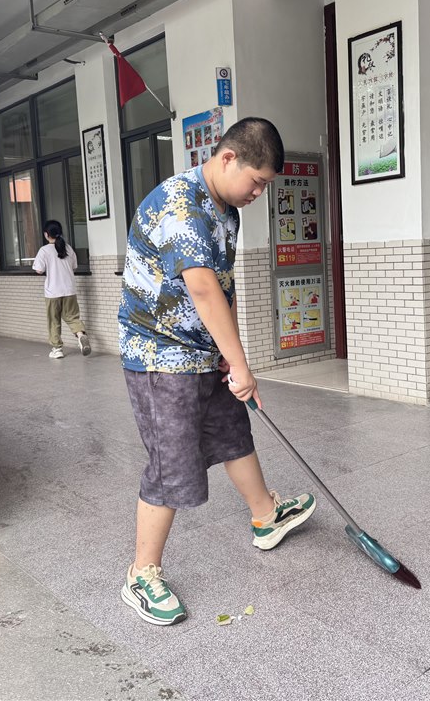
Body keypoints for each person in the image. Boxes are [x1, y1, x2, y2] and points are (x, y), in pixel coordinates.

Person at [118, 117, 316, 626]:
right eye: (257, 181)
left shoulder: (226, 209)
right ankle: (141, 574)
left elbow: (222, 289)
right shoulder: (180, 204)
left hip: (204, 350)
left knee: (232, 432)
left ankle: (266, 516)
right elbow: (202, 287)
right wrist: (243, 365)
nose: (258, 193)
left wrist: (231, 354)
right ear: (228, 158)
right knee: (171, 462)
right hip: (161, 356)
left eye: (265, 185)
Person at [32, 220, 91, 359]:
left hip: (53, 292)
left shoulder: (44, 250)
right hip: (69, 290)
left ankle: (57, 349)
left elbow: (39, 270)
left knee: (54, 321)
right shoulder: (68, 248)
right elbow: (74, 266)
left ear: (46, 234)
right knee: (72, 317)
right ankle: (80, 335)